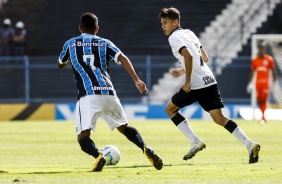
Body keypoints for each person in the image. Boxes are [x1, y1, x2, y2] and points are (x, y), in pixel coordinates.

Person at [57, 13, 163, 172]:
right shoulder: (104, 43)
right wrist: (136, 80)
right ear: (97, 29)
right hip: (108, 92)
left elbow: (60, 63)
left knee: (83, 138)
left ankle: (98, 156)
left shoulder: (70, 44)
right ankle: (145, 147)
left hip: (87, 95)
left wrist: (71, 60)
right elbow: (123, 57)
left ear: (80, 28)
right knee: (124, 127)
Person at [159, 7, 260, 164]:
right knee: (219, 118)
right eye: (162, 23)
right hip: (209, 80)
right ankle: (250, 144)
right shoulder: (190, 33)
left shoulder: (174, 38)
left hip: (196, 84)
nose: (163, 26)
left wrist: (186, 82)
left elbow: (188, 55)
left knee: (170, 109)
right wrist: (183, 70)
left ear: (175, 22)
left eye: (165, 23)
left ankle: (195, 141)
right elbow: (204, 57)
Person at [248, 42, 276, 124]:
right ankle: (262, 116)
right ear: (258, 49)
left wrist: (274, 82)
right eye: (260, 48)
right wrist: (250, 83)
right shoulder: (255, 60)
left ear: (265, 49)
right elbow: (252, 72)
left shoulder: (269, 59)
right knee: (259, 100)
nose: (261, 49)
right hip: (258, 83)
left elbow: (273, 71)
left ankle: (263, 117)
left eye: (262, 48)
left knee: (264, 99)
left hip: (265, 83)